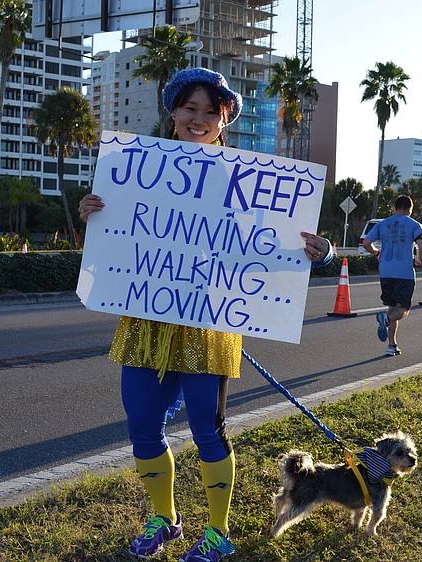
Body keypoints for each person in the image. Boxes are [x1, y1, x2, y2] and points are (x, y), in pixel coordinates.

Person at [78, 67, 333, 562]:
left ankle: (218, 530)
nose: (198, 119)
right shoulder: (135, 169)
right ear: (173, 112)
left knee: (206, 428)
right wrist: (96, 212)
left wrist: (319, 252)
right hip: (147, 320)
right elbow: (119, 241)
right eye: (189, 108)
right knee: (143, 425)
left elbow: (273, 240)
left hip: (210, 323)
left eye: (210, 113)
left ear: (224, 121)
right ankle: (165, 518)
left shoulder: (247, 180)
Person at [361, 195, 422, 357]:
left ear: (394, 208)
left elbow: (365, 243)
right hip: (404, 273)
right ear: (410, 210)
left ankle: (392, 346)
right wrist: (420, 259)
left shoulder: (383, 224)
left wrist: (376, 252)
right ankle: (384, 318)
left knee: (392, 307)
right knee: (403, 309)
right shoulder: (414, 225)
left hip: (386, 272)